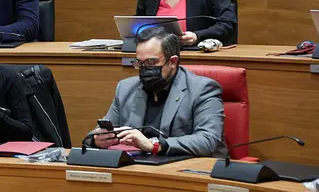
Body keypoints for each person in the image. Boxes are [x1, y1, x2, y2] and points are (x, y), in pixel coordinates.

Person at [85, 27, 226, 157]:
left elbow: (208, 140)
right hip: (140, 168)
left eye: (151, 63)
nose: (144, 69)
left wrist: (154, 145)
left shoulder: (202, 89)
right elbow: (98, 133)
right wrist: (96, 140)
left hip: (188, 168)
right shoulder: (126, 88)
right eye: (139, 63)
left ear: (173, 62)